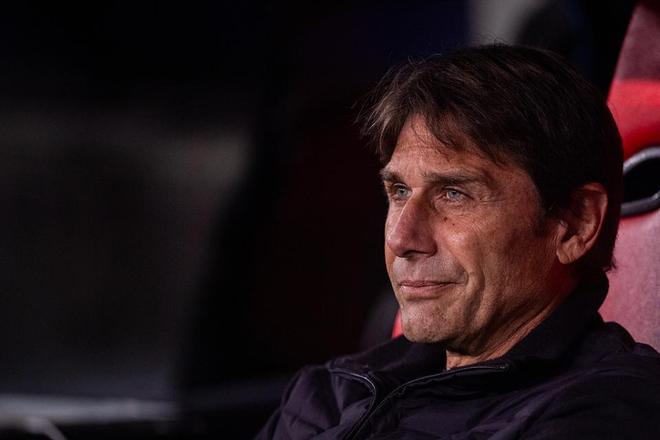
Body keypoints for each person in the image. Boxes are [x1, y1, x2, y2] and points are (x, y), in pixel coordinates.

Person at [256, 45, 660, 439]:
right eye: (399, 191)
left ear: (575, 224)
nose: (400, 238)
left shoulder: (607, 409)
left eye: (453, 194)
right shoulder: (331, 392)